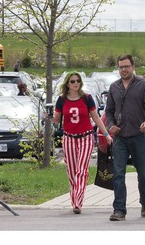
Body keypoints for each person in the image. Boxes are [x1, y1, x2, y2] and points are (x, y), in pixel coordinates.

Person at [50, 71, 112, 214]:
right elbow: (56, 119)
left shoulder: (87, 98)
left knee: (82, 170)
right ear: (67, 84)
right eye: (72, 81)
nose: (76, 83)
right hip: (69, 138)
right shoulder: (62, 100)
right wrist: (49, 116)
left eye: (78, 81)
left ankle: (78, 201)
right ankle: (74, 199)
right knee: (72, 172)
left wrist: (107, 134)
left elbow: (96, 118)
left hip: (86, 137)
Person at [105, 54, 145, 221]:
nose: (123, 70)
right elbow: (108, 111)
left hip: (138, 136)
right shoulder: (114, 87)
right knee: (118, 174)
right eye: (121, 67)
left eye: (126, 66)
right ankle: (119, 209)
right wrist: (110, 125)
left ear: (133, 67)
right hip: (120, 137)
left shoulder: (143, 85)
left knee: (143, 174)